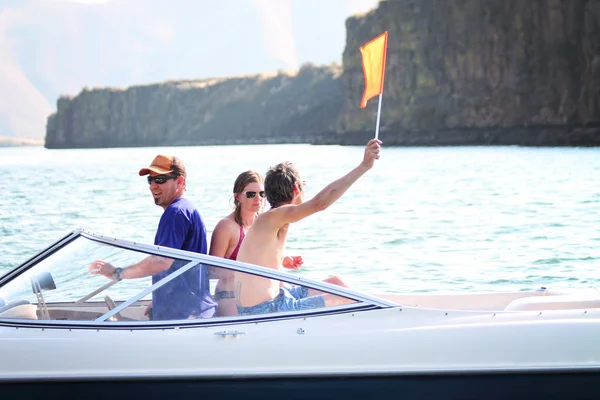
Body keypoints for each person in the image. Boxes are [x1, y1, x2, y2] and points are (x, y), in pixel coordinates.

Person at [234, 138, 382, 315]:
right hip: (263, 310)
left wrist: (281, 260)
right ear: (297, 188)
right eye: (304, 184)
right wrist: (364, 166)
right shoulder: (271, 217)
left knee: (339, 284)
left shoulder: (273, 220)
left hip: (280, 297)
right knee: (346, 296)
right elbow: (320, 203)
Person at [88, 154, 216, 320]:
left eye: (161, 179)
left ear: (180, 181)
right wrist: (160, 299)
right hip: (190, 310)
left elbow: (161, 261)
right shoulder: (186, 209)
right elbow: (179, 266)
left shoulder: (175, 213)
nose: (153, 186)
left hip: (183, 318)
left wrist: (117, 273)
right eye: (151, 180)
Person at [208, 170, 304, 317]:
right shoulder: (226, 226)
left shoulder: (262, 223)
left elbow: (263, 258)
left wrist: (283, 261)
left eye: (262, 194)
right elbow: (212, 271)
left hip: (262, 300)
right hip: (229, 297)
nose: (258, 198)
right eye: (251, 194)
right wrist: (249, 269)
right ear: (237, 196)